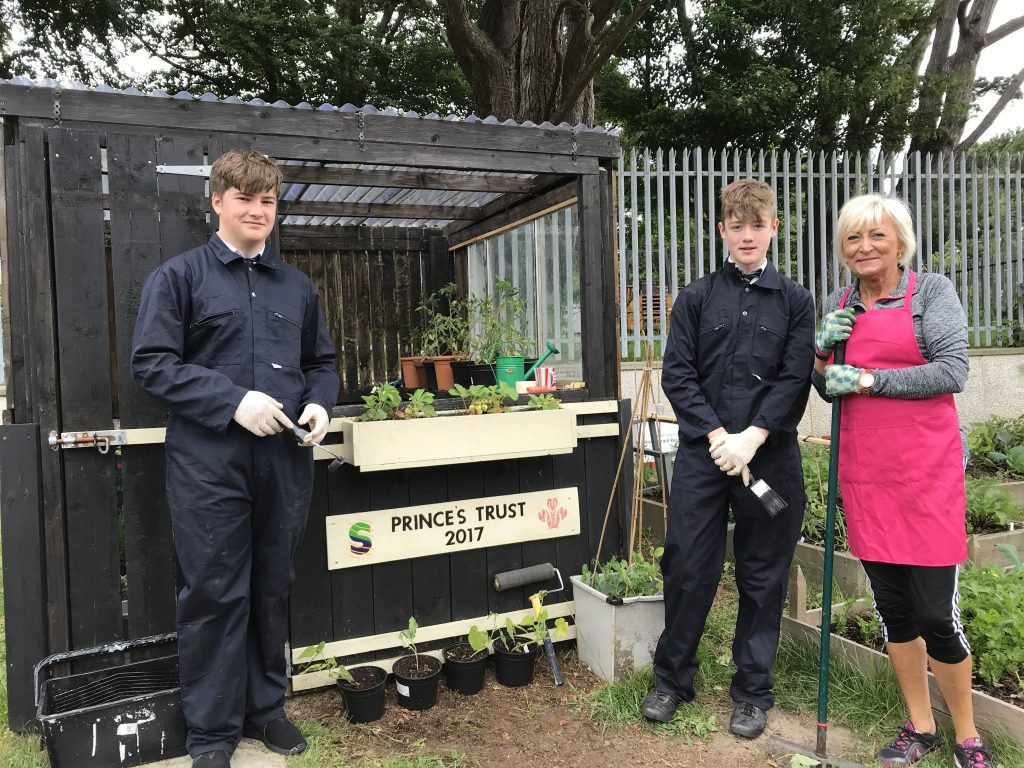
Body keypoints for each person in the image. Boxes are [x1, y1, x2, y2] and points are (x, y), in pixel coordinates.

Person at [131, 150, 339, 768]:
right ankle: (213, 735)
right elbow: (153, 364)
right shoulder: (179, 278)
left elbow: (320, 364)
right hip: (208, 462)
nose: (257, 211)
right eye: (244, 198)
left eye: (268, 201)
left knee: (272, 586)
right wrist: (232, 400)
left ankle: (266, 711)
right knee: (215, 592)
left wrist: (323, 405)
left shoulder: (297, 288)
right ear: (217, 201)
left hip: (283, 460)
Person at [813, 194, 990, 768]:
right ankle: (921, 728)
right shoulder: (840, 302)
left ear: (900, 241)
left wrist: (865, 378)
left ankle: (967, 734)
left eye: (876, 237)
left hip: (926, 474)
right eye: (852, 239)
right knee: (893, 609)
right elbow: (827, 387)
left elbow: (950, 372)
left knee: (937, 613)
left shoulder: (931, 293)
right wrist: (820, 354)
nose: (864, 248)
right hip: (867, 475)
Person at [641, 179, 815, 738]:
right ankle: (672, 680)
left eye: (756, 225)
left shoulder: (795, 301)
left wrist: (754, 437)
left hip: (769, 457)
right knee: (688, 566)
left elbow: (794, 377)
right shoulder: (695, 298)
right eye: (736, 226)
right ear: (722, 230)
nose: (746, 235)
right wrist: (719, 436)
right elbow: (679, 374)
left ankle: (752, 692)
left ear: (773, 230)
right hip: (703, 456)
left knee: (763, 575)